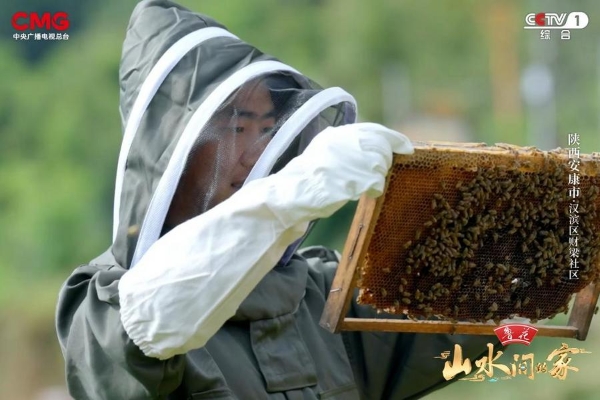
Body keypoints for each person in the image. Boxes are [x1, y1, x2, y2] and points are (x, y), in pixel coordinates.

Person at [55, 1, 494, 399]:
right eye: (235, 128)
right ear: (171, 148)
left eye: (266, 129)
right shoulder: (103, 309)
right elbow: (149, 320)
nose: (255, 152)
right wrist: (296, 191)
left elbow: (482, 307)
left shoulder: (320, 294)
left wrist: (559, 232)